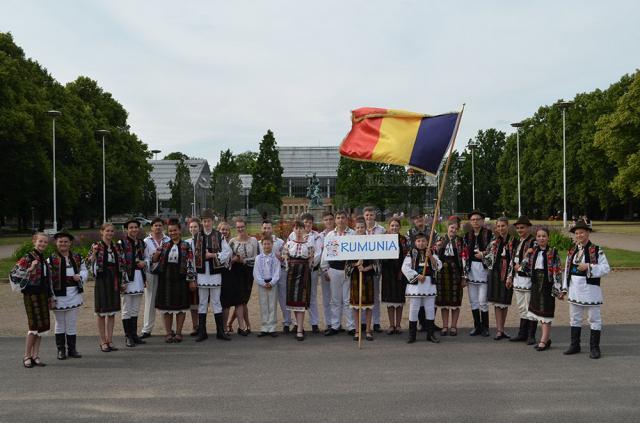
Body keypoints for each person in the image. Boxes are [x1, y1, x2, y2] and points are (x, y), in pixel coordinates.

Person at [561, 219, 610, 359]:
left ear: (588, 233)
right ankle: (574, 344)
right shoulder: (572, 251)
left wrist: (588, 266)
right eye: (576, 233)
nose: (579, 235)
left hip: (590, 289)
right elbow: (567, 270)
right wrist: (565, 288)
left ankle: (594, 348)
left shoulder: (597, 250)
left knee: (594, 318)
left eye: (581, 232)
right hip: (575, 288)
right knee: (574, 318)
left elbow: (606, 269)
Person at [10, 232, 54, 368]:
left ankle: (35, 355)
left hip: (42, 295)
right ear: (34, 241)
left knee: (42, 327)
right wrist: (30, 269)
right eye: (40, 241)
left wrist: (51, 296)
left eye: (45, 242)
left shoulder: (42, 258)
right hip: (31, 295)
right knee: (33, 326)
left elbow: (47, 280)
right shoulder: (28, 257)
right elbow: (14, 274)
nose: (42, 244)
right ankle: (27, 356)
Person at [152, 218, 197, 343]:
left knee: (181, 307)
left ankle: (178, 332)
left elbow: (190, 264)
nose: (172, 233)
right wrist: (155, 255)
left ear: (180, 231)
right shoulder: (164, 245)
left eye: (175, 230)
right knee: (166, 307)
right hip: (165, 280)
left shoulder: (186, 246)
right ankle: (168, 333)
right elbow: (155, 261)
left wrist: (192, 280)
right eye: (170, 231)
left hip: (181, 279)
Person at [192, 209, 232, 342]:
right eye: (204, 221)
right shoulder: (197, 236)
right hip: (202, 273)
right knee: (202, 302)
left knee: (216, 301)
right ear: (202, 222)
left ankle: (220, 332)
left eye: (208, 221)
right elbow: (192, 256)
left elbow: (228, 252)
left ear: (212, 221)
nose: (207, 223)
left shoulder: (218, 235)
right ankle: (202, 332)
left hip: (215, 273)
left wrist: (213, 255)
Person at [48, 231, 88, 360]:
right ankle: (61, 350)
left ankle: (72, 349)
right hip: (58, 296)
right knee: (60, 323)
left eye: (66, 241)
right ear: (56, 243)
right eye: (60, 241)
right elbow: (47, 279)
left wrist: (80, 276)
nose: (63, 244)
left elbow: (84, 270)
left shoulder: (77, 257)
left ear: (70, 243)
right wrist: (51, 297)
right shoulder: (51, 259)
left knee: (71, 323)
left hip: (74, 294)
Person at [87, 223, 125, 353]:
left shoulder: (116, 246)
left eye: (112, 231)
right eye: (107, 231)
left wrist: (122, 282)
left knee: (112, 311)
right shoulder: (96, 246)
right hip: (102, 280)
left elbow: (122, 264)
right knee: (102, 312)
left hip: (114, 279)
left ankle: (110, 340)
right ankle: (103, 341)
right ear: (101, 232)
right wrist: (94, 254)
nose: (109, 233)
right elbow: (88, 263)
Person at [402, 232, 442, 344]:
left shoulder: (432, 252)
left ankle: (430, 334)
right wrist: (417, 276)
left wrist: (431, 257)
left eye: (423, 241)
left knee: (429, 309)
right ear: (415, 242)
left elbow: (438, 266)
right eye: (418, 241)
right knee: (414, 309)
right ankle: (412, 335)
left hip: (429, 284)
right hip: (416, 285)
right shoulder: (411, 253)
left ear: (427, 242)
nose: (421, 243)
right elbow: (405, 268)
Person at [321, 210, 356, 336]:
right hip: (334, 270)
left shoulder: (353, 234)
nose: (340, 220)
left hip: (348, 269)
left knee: (348, 300)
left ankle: (351, 326)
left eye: (343, 218)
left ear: (347, 220)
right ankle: (335, 325)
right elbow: (326, 253)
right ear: (335, 220)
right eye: (338, 218)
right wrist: (325, 269)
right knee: (335, 300)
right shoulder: (330, 235)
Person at [527, 227, 562, 351]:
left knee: (546, 311)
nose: (541, 238)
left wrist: (558, 289)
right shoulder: (533, 251)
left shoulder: (553, 252)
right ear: (536, 238)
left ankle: (543, 340)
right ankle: (546, 339)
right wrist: (527, 254)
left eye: (544, 236)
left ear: (548, 238)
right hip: (536, 283)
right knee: (539, 312)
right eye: (539, 236)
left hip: (547, 284)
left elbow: (557, 270)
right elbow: (526, 267)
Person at [288, 213, 323, 334]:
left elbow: (317, 254)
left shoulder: (317, 236)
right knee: (296, 296)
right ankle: (297, 325)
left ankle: (314, 323)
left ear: (312, 224)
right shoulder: (293, 235)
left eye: (309, 222)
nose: (307, 224)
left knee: (311, 296)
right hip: (296, 271)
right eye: (305, 222)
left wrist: (309, 266)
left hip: (310, 270)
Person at [507, 216, 537, 345]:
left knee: (530, 306)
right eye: (518, 228)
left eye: (522, 227)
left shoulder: (534, 242)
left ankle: (531, 335)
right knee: (521, 307)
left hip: (528, 279)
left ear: (528, 228)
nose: (520, 230)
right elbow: (512, 260)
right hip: (518, 280)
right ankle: (522, 333)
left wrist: (521, 267)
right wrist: (510, 276)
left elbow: (534, 259)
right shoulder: (517, 242)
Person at [226, 217, 258, 335]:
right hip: (236, 273)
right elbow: (228, 258)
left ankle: (229, 322)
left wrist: (244, 260)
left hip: (249, 272)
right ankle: (247, 325)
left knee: (244, 300)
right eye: (238, 227)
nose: (240, 229)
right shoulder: (232, 242)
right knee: (241, 301)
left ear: (246, 226)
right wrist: (236, 260)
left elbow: (257, 257)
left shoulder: (253, 240)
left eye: (242, 226)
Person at [283, 220, 314, 341]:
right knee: (293, 302)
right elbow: (285, 258)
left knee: (301, 300)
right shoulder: (289, 244)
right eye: (296, 228)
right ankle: (298, 326)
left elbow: (311, 260)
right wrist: (289, 267)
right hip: (292, 273)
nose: (299, 230)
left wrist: (307, 271)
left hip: (304, 273)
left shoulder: (309, 244)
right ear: (293, 230)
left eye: (301, 228)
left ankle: (300, 329)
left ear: (304, 229)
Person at [118, 219, 147, 348]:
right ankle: (128, 336)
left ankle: (134, 334)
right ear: (126, 229)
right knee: (126, 309)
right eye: (131, 227)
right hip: (127, 278)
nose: (134, 229)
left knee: (135, 308)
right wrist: (122, 280)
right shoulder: (121, 243)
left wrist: (144, 263)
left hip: (139, 276)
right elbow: (120, 262)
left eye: (136, 227)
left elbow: (145, 257)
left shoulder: (141, 243)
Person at [348, 217, 377, 341]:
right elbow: (347, 263)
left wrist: (366, 268)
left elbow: (376, 262)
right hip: (355, 276)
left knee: (369, 305)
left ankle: (368, 330)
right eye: (358, 227)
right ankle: (357, 330)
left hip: (368, 276)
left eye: (362, 227)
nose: (360, 229)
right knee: (356, 305)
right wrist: (356, 264)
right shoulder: (350, 243)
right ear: (355, 229)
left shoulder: (371, 242)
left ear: (366, 228)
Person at [485, 217, 514, 340]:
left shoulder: (513, 241)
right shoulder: (494, 241)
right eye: (499, 226)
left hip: (507, 273)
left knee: (505, 302)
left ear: (507, 226)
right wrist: (485, 255)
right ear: (496, 228)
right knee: (497, 302)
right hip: (495, 273)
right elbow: (487, 256)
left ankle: (503, 328)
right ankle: (499, 330)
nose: (501, 228)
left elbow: (514, 258)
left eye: (503, 225)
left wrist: (510, 275)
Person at [435, 216, 465, 337]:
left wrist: (464, 277)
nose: (453, 230)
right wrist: (436, 249)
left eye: (456, 229)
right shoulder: (440, 240)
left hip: (455, 274)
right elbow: (434, 257)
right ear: (448, 227)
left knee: (455, 301)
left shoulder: (461, 241)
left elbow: (464, 259)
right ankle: (445, 326)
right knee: (444, 302)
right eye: (452, 227)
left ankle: (453, 326)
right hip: (442, 275)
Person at [463, 210, 492, 337]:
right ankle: (477, 326)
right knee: (473, 301)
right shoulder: (466, 235)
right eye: (473, 219)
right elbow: (463, 254)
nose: (475, 221)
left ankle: (485, 327)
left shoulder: (489, 234)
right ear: (470, 221)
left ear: (482, 220)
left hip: (483, 270)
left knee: (482, 301)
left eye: (478, 219)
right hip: (470, 271)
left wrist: (483, 254)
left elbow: (494, 251)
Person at [141, 218, 170, 339]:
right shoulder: (146, 241)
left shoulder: (168, 239)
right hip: (151, 273)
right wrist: (154, 257)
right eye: (155, 225)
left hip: (166, 273)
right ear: (151, 227)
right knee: (150, 300)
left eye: (160, 225)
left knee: (166, 300)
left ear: (162, 227)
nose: (158, 227)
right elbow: (143, 258)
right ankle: (147, 329)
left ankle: (169, 329)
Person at [259, 220, 289, 333]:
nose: (266, 230)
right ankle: (267, 325)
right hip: (265, 276)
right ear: (262, 229)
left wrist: (282, 257)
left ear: (272, 229)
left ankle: (287, 322)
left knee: (283, 298)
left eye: (268, 228)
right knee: (267, 302)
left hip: (279, 273)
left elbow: (286, 256)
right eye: (264, 228)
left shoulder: (280, 242)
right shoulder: (259, 243)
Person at [381, 217, 409, 335]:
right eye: (392, 225)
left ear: (400, 227)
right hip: (388, 272)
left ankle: (398, 325)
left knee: (399, 300)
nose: (394, 228)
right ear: (389, 227)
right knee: (390, 300)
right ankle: (391, 325)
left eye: (396, 226)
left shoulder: (403, 240)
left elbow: (407, 256)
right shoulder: (384, 239)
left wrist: (404, 270)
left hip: (400, 273)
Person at [362, 206, 385, 333]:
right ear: (364, 216)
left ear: (374, 216)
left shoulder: (381, 230)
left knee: (375, 295)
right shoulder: (359, 230)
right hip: (362, 266)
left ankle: (376, 322)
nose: (369, 217)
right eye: (367, 215)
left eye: (371, 215)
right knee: (363, 295)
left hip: (375, 266)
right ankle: (364, 322)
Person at [254, 236, 281, 337]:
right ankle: (265, 327)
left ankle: (272, 327)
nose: (266, 246)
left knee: (272, 305)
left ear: (272, 245)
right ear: (262, 245)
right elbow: (256, 273)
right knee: (264, 305)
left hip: (272, 284)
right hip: (262, 285)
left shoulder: (275, 258)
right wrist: (263, 283)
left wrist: (272, 283)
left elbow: (277, 272)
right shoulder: (258, 258)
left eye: (268, 244)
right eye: (264, 244)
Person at [318, 212, 335, 331]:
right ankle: (329, 323)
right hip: (325, 269)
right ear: (323, 221)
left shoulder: (339, 233)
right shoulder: (320, 236)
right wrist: (325, 270)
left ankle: (337, 323)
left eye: (330, 219)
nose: (328, 221)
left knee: (338, 298)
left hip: (337, 269)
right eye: (326, 220)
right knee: (326, 298)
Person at [218, 221, 236, 336]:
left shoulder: (232, 243)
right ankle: (219, 327)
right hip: (217, 273)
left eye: (226, 229)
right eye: (222, 229)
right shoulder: (216, 242)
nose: (224, 231)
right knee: (217, 301)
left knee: (226, 303)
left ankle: (225, 326)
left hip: (229, 274)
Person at [186, 218, 202, 336]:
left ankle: (202, 325)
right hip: (191, 276)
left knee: (202, 302)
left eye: (195, 227)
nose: (193, 229)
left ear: (199, 228)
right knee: (193, 303)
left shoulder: (204, 241)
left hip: (203, 275)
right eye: (191, 227)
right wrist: (191, 278)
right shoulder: (186, 243)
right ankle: (195, 325)